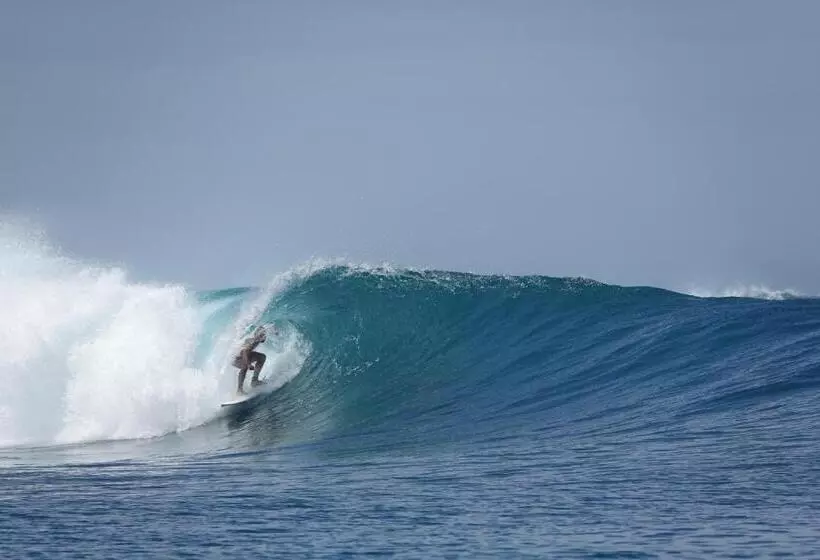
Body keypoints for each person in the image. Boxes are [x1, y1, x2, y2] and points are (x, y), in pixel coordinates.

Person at [232, 325, 272, 394]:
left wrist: (275, 331)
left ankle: (254, 381)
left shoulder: (257, 340)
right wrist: (248, 364)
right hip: (235, 359)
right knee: (245, 366)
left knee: (262, 357)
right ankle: (239, 390)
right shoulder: (252, 341)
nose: (265, 337)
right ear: (258, 335)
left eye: (264, 334)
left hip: (244, 355)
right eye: (263, 335)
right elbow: (244, 352)